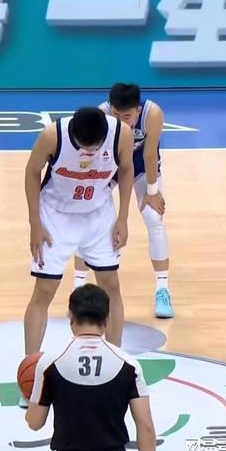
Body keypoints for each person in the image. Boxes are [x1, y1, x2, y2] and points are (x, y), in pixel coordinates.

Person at [22, 106, 134, 394]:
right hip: (56, 215)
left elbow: (126, 169)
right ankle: (31, 373)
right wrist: (35, 223)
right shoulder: (52, 135)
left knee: (111, 285)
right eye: (84, 147)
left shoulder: (121, 134)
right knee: (44, 290)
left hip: (98, 214)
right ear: (72, 133)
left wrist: (123, 217)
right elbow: (32, 172)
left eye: (94, 147)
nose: (89, 152)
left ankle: (116, 365)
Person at [74, 83, 174, 318]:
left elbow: (150, 154)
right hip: (109, 164)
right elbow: (91, 156)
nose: (120, 122)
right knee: (86, 215)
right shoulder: (101, 114)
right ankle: (78, 286)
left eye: (126, 117)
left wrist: (152, 191)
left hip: (140, 165)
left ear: (138, 110)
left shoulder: (152, 114)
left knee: (153, 216)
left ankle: (162, 289)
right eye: (116, 116)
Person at [25, 284, 157, 451]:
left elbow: (35, 423)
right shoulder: (129, 365)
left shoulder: (49, 363)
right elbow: (146, 426)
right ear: (107, 318)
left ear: (71, 316)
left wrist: (31, 398)